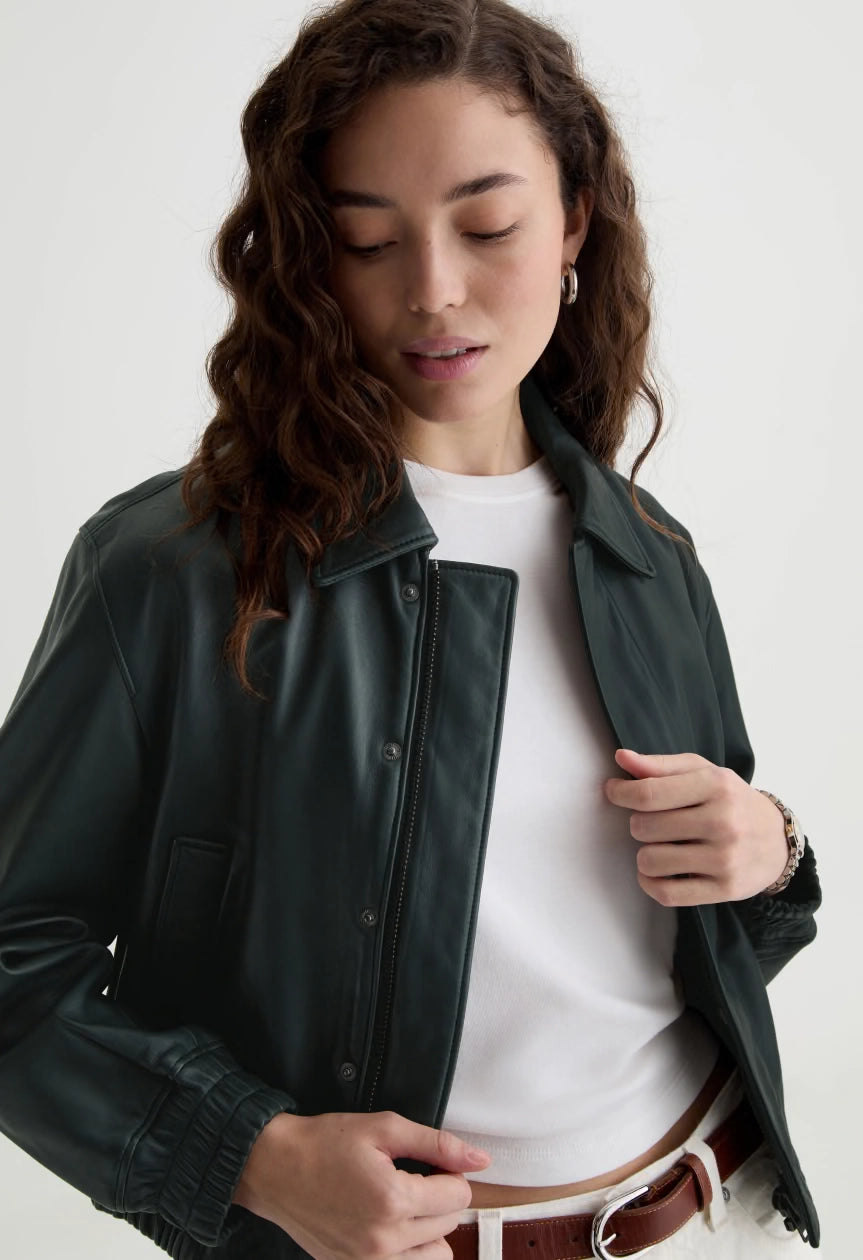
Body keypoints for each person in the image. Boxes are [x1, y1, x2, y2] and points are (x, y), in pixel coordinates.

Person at [0, 1, 822, 1258]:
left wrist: (771, 850)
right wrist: (253, 1156)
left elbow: (686, 937)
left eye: (486, 227)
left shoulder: (644, 551)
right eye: (366, 240)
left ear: (573, 222)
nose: (433, 290)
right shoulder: (176, 570)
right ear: (306, 260)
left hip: (714, 1210)